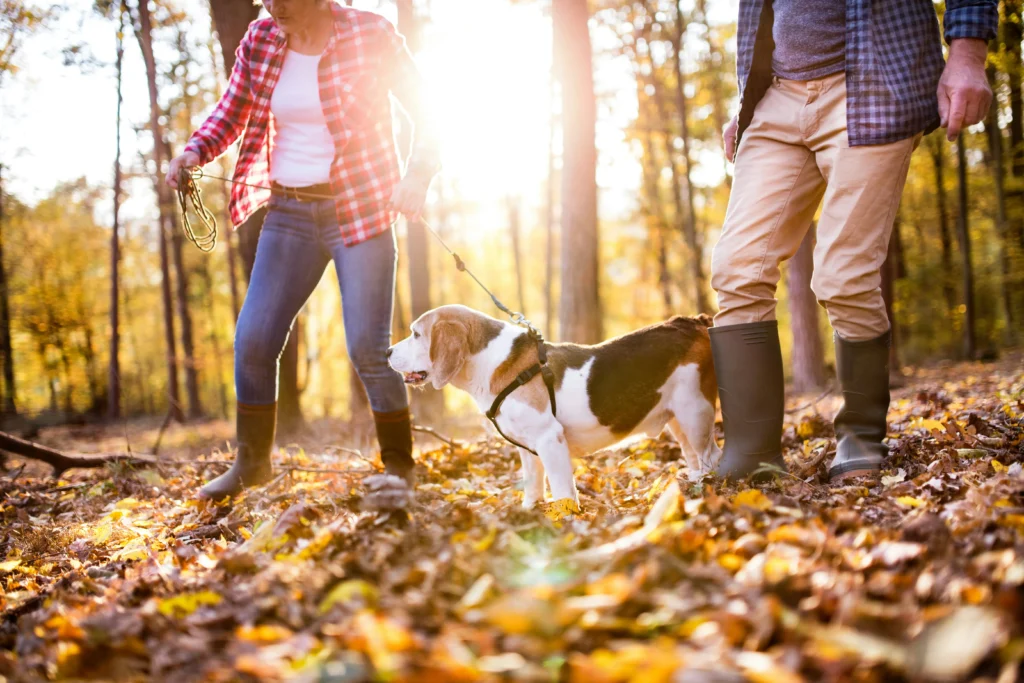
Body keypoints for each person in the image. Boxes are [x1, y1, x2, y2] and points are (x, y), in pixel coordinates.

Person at [710, 0, 997, 481]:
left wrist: (968, 53)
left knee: (843, 277)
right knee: (737, 270)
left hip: (872, 85)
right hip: (775, 98)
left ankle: (861, 435)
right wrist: (749, 96)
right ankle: (751, 454)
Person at [166, 0, 437, 500]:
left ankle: (400, 466)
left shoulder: (369, 34)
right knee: (253, 340)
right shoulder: (261, 39)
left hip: (359, 211)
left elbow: (428, 111)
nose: (275, 5)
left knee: (368, 349)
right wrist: (194, 151)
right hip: (289, 214)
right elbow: (232, 109)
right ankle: (251, 466)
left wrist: (416, 177)